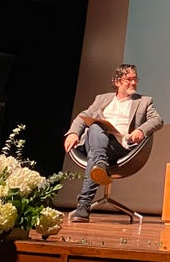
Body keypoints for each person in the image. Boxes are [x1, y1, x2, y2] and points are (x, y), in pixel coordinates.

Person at [63, 63, 164, 222]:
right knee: (96, 127)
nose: (133, 82)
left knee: (95, 152)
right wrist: (73, 133)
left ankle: (84, 205)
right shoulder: (102, 99)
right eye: (128, 79)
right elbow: (83, 116)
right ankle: (99, 167)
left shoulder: (144, 101)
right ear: (117, 81)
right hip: (97, 140)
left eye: (135, 79)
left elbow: (157, 120)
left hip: (119, 146)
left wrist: (140, 130)